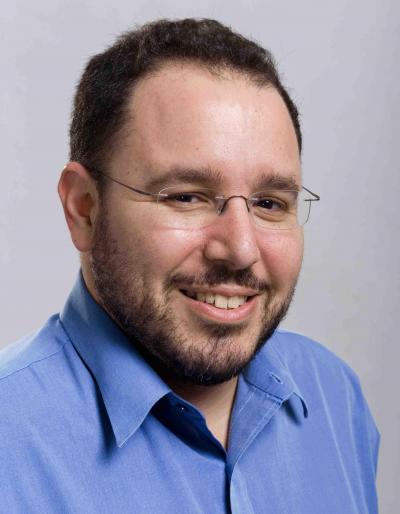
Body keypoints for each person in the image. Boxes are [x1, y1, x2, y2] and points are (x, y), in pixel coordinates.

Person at [0, 18, 379, 513]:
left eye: (269, 203)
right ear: (84, 209)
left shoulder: (333, 397)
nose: (240, 250)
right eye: (186, 197)